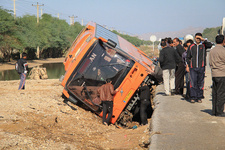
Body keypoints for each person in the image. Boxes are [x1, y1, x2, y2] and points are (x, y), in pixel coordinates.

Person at [186, 33, 212, 103]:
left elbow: (210, 45)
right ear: (194, 38)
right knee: (193, 83)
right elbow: (188, 57)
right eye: (197, 38)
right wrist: (188, 65)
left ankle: (199, 97)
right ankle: (193, 97)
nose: (198, 39)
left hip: (201, 67)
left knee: (200, 83)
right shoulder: (191, 46)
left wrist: (203, 40)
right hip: (193, 67)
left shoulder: (203, 46)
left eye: (199, 38)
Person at [209, 35, 225, 116]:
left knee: (215, 93)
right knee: (221, 93)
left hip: (214, 73)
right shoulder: (223, 50)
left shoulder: (212, 50)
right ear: (223, 41)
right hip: (222, 74)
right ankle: (219, 111)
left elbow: (210, 62)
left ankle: (214, 110)